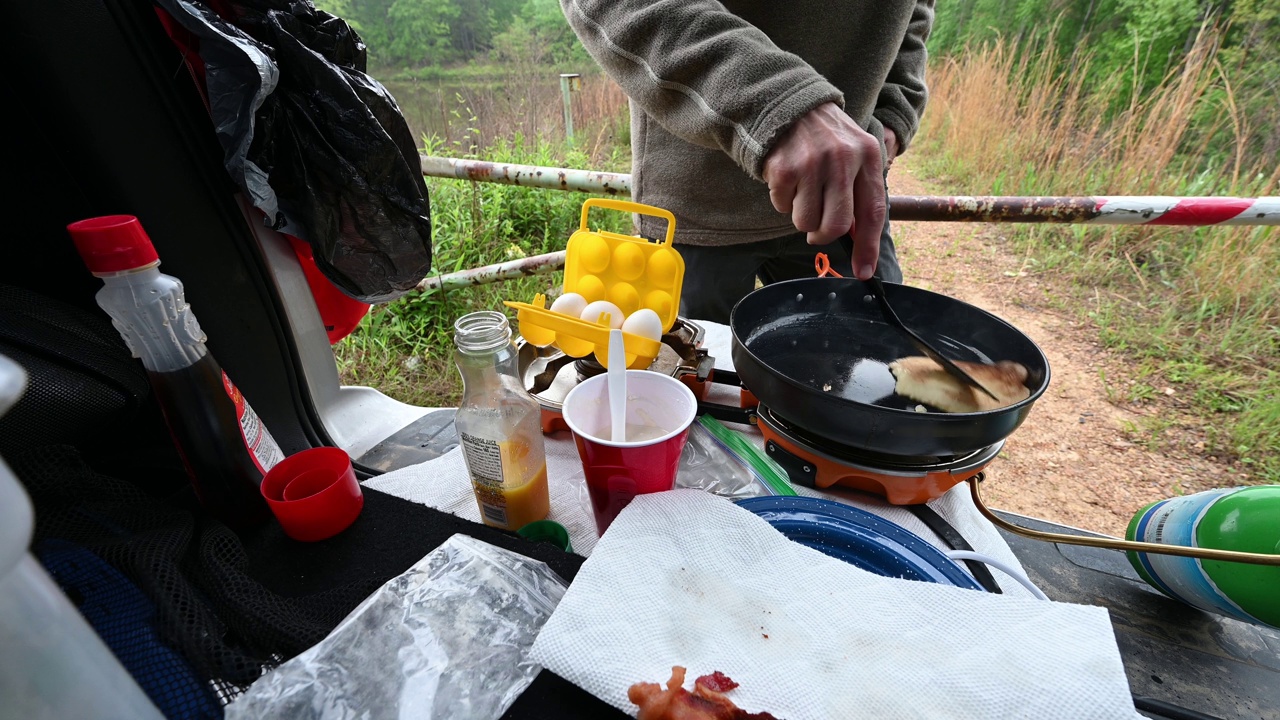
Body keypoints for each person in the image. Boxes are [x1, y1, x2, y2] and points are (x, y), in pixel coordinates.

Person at [560, 1, 934, 324]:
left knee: (870, 364)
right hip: (699, 203)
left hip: (845, 190)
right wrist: (776, 103)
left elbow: (916, 11)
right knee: (699, 383)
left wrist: (897, 108)